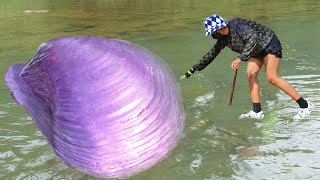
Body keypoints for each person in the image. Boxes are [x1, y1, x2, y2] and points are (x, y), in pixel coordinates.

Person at [182, 14, 314, 120]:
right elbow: (212, 53)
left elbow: (253, 37)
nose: (213, 35)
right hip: (255, 51)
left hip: (268, 44)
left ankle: (305, 105)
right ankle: (257, 111)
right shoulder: (223, 39)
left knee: (272, 78)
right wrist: (193, 69)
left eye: (213, 32)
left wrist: (240, 58)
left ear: (218, 28)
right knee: (251, 74)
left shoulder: (236, 24)